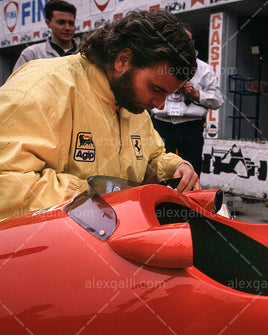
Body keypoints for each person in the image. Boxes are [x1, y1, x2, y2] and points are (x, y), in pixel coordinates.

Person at [0, 9, 200, 221]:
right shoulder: (39, 87)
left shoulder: (132, 101)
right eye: (156, 89)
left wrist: (175, 168)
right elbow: (9, 184)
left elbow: (152, 157)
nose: (159, 105)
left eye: (168, 95)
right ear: (123, 60)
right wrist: (102, 197)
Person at [152, 24, 223, 176]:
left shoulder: (204, 69)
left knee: (192, 172)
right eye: (179, 39)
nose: (183, 43)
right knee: (157, 172)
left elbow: (218, 100)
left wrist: (197, 95)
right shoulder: (157, 66)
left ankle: (190, 200)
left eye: (187, 40)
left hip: (191, 127)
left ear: (193, 43)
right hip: (161, 125)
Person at [13, 0, 78, 71]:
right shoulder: (33, 54)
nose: (67, 28)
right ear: (48, 23)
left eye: (71, 23)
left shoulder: (86, 54)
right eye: (61, 22)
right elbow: (18, 81)